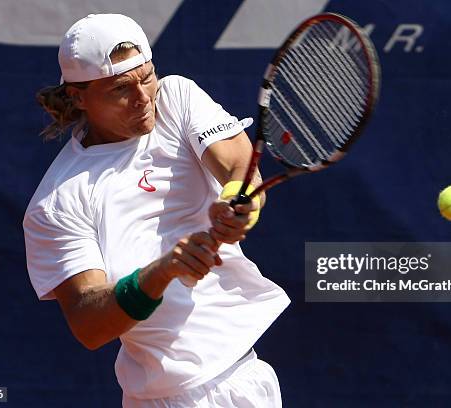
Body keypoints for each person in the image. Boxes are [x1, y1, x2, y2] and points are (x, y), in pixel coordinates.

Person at [23, 13, 290, 408]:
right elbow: (89, 323)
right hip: (166, 398)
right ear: (78, 96)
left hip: (246, 375)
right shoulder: (57, 202)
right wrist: (164, 271)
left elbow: (238, 163)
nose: (144, 97)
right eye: (120, 88)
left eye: (147, 76)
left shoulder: (175, 98)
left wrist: (235, 200)